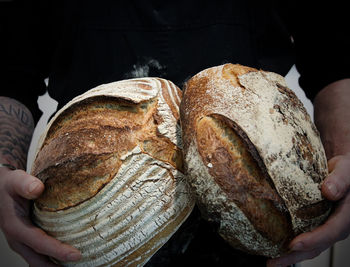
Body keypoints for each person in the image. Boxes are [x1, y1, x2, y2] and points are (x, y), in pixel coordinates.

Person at [0, 1, 349, 266]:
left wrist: (343, 156)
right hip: (94, 234)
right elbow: (12, 67)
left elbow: (331, 55)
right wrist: (2, 167)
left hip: (254, 238)